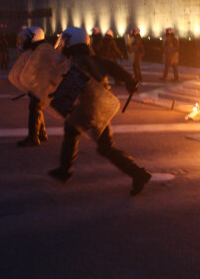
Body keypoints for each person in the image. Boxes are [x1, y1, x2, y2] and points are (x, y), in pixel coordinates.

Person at [47, 27, 151, 196]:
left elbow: (74, 82)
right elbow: (113, 67)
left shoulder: (79, 61)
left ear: (73, 42)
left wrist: (59, 97)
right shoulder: (91, 59)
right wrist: (129, 80)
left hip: (92, 107)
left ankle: (138, 174)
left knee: (102, 146)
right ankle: (65, 170)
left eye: (66, 41)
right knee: (75, 131)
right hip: (97, 104)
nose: (63, 44)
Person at [16, 26, 49, 147]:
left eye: (27, 38)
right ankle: (41, 133)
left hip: (42, 84)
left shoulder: (40, 51)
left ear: (34, 38)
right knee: (36, 106)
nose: (25, 40)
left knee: (35, 106)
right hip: (39, 83)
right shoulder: (38, 49)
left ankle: (33, 137)